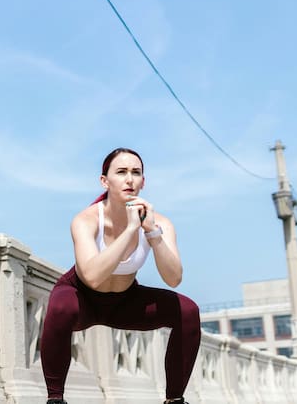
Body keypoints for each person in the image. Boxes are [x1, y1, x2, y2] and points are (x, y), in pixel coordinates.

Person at [40, 148, 201, 404]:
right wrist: (130, 230)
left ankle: (174, 400)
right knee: (60, 306)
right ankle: (55, 399)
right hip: (83, 298)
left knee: (188, 310)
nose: (129, 179)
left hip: (125, 302)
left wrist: (151, 233)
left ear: (143, 182)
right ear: (105, 181)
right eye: (121, 172)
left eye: (136, 173)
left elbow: (174, 278)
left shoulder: (159, 223)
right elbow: (91, 276)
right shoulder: (86, 220)